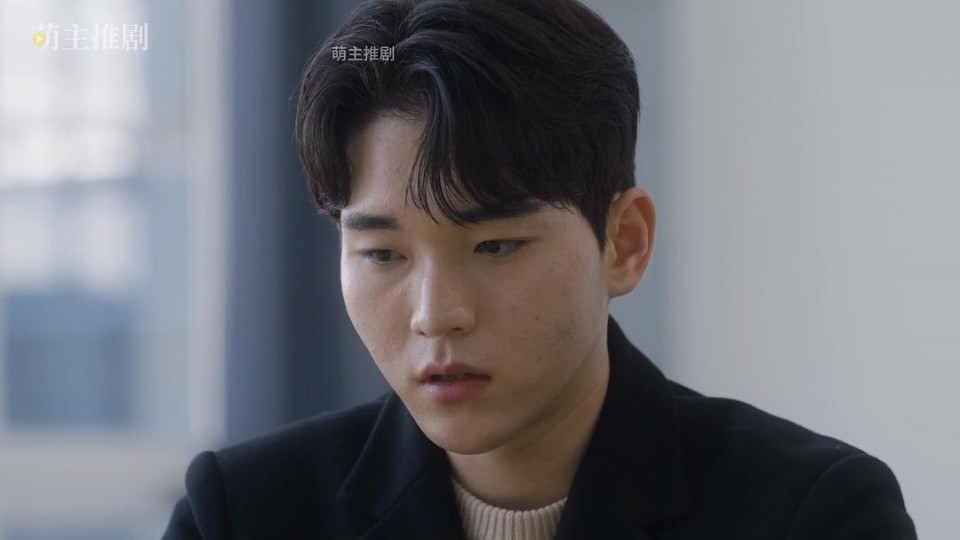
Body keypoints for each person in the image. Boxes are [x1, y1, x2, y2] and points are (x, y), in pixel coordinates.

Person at [163, 0, 916, 538]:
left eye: (495, 246)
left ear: (623, 243)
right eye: (383, 254)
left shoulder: (811, 513)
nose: (436, 313)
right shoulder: (243, 514)